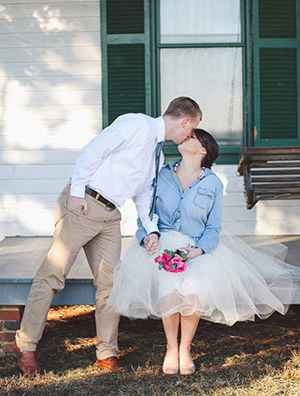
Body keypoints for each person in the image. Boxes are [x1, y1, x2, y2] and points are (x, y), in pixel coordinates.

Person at [14, 97, 202, 376]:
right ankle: (26, 345)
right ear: (185, 121)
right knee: (53, 275)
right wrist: (77, 192)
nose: (191, 135)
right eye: (192, 128)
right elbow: (94, 150)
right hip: (84, 204)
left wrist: (151, 229)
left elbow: (143, 194)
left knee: (111, 285)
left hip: (111, 215)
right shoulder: (136, 124)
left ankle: (106, 352)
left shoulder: (157, 154)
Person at [108, 128, 299, 375]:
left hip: (194, 246)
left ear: (203, 150)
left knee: (191, 292)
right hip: (162, 241)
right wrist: (147, 237)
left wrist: (197, 251)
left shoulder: (213, 183)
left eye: (191, 137)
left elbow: (213, 227)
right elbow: (146, 215)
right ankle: (170, 348)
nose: (184, 137)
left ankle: (185, 348)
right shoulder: (161, 175)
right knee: (169, 287)